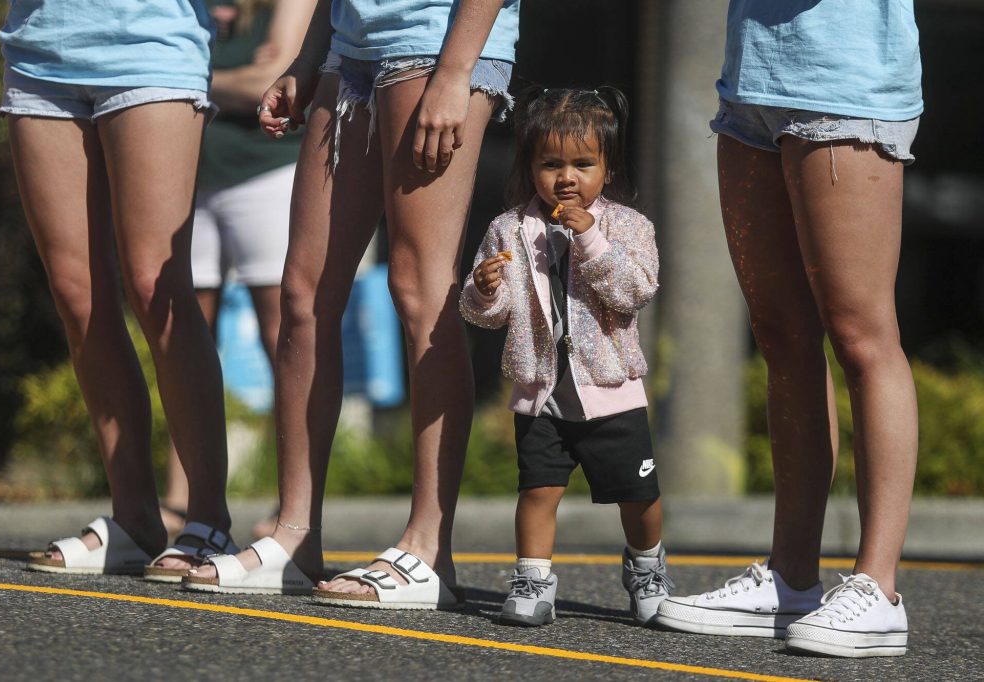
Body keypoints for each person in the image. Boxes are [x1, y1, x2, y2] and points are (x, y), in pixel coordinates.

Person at [182, 0, 519, 606]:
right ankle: (294, 534)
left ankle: (428, 548)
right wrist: (309, 58)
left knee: (419, 291)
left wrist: (454, 71)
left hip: (434, 40)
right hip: (350, 47)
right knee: (303, 294)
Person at [654, 0, 922, 658]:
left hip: (845, 80)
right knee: (781, 335)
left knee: (861, 335)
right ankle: (790, 578)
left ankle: (878, 590)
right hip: (752, 83)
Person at [0, 0, 239, 580]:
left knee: (156, 282)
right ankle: (134, 520)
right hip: (38, 48)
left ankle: (208, 517)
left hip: (149, 45)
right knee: (75, 293)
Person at [459, 86, 672, 627]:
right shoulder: (508, 228)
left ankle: (647, 568)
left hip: (611, 392)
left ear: (608, 168)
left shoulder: (628, 226)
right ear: (531, 166)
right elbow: (487, 315)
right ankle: (533, 580)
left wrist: (593, 240)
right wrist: (483, 288)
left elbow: (634, 290)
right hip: (541, 393)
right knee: (538, 492)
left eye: (583, 163)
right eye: (550, 163)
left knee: (638, 497)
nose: (566, 177)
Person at [160, 0, 310, 540]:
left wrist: (178, 77)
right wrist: (229, 81)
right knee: (184, 333)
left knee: (284, 335)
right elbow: (243, 83)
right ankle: (182, 500)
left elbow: (269, 84)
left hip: (265, 171)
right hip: (189, 174)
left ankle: (291, 507)